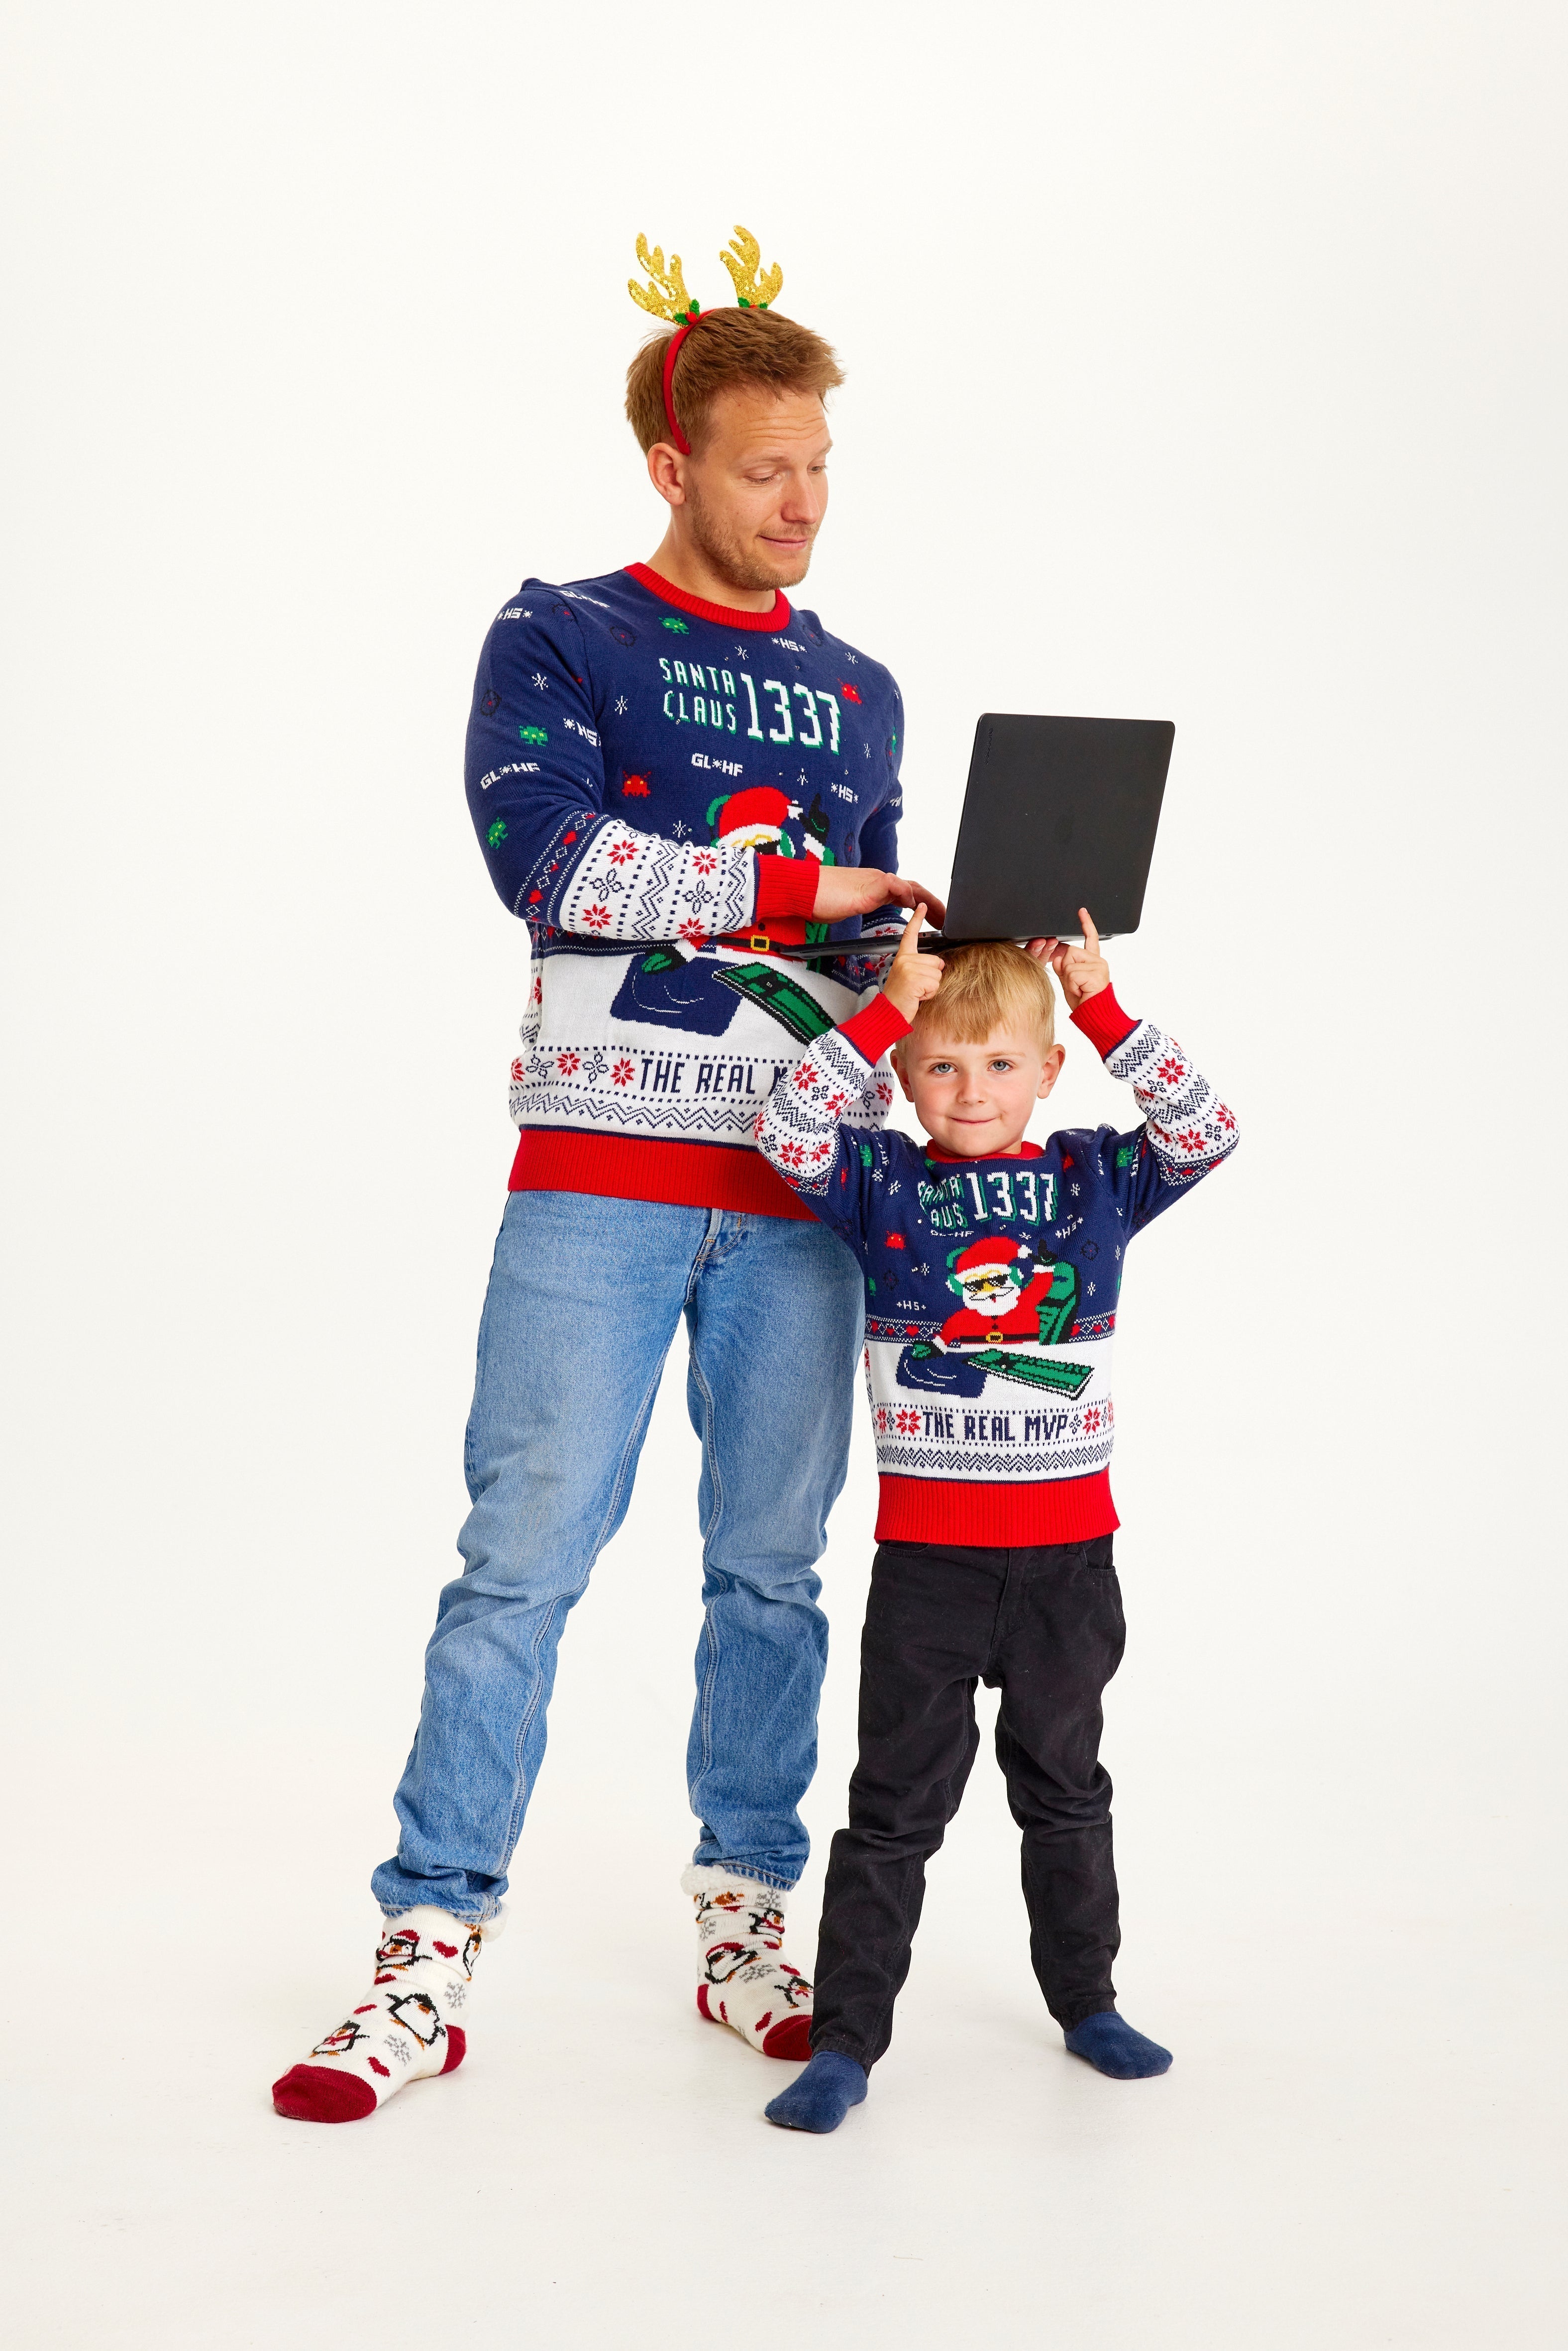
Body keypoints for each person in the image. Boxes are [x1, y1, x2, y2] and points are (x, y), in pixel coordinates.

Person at [271, 228, 945, 2124]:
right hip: (600, 1176)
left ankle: (748, 1912)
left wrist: (951, 961)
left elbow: (867, 952)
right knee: (521, 1563)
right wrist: (808, 890)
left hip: (805, 1195)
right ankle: (426, 1950)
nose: (802, 503)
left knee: (773, 1572)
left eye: (821, 465)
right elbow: (552, 865)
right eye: (762, 468)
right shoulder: (559, 630)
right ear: (672, 464)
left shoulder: (864, 687)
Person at [750, 908, 1239, 2133]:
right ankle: (848, 2042)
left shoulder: (1092, 1179)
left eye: (1002, 1062)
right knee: (894, 1810)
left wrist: (1103, 1001)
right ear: (905, 1075)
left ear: (1049, 1067)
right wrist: (877, 1006)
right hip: (929, 1565)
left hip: (1070, 1562)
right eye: (941, 1063)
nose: (972, 1088)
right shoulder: (884, 1179)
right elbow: (787, 1125)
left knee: (1064, 1787)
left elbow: (1208, 1128)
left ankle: (1087, 2002)